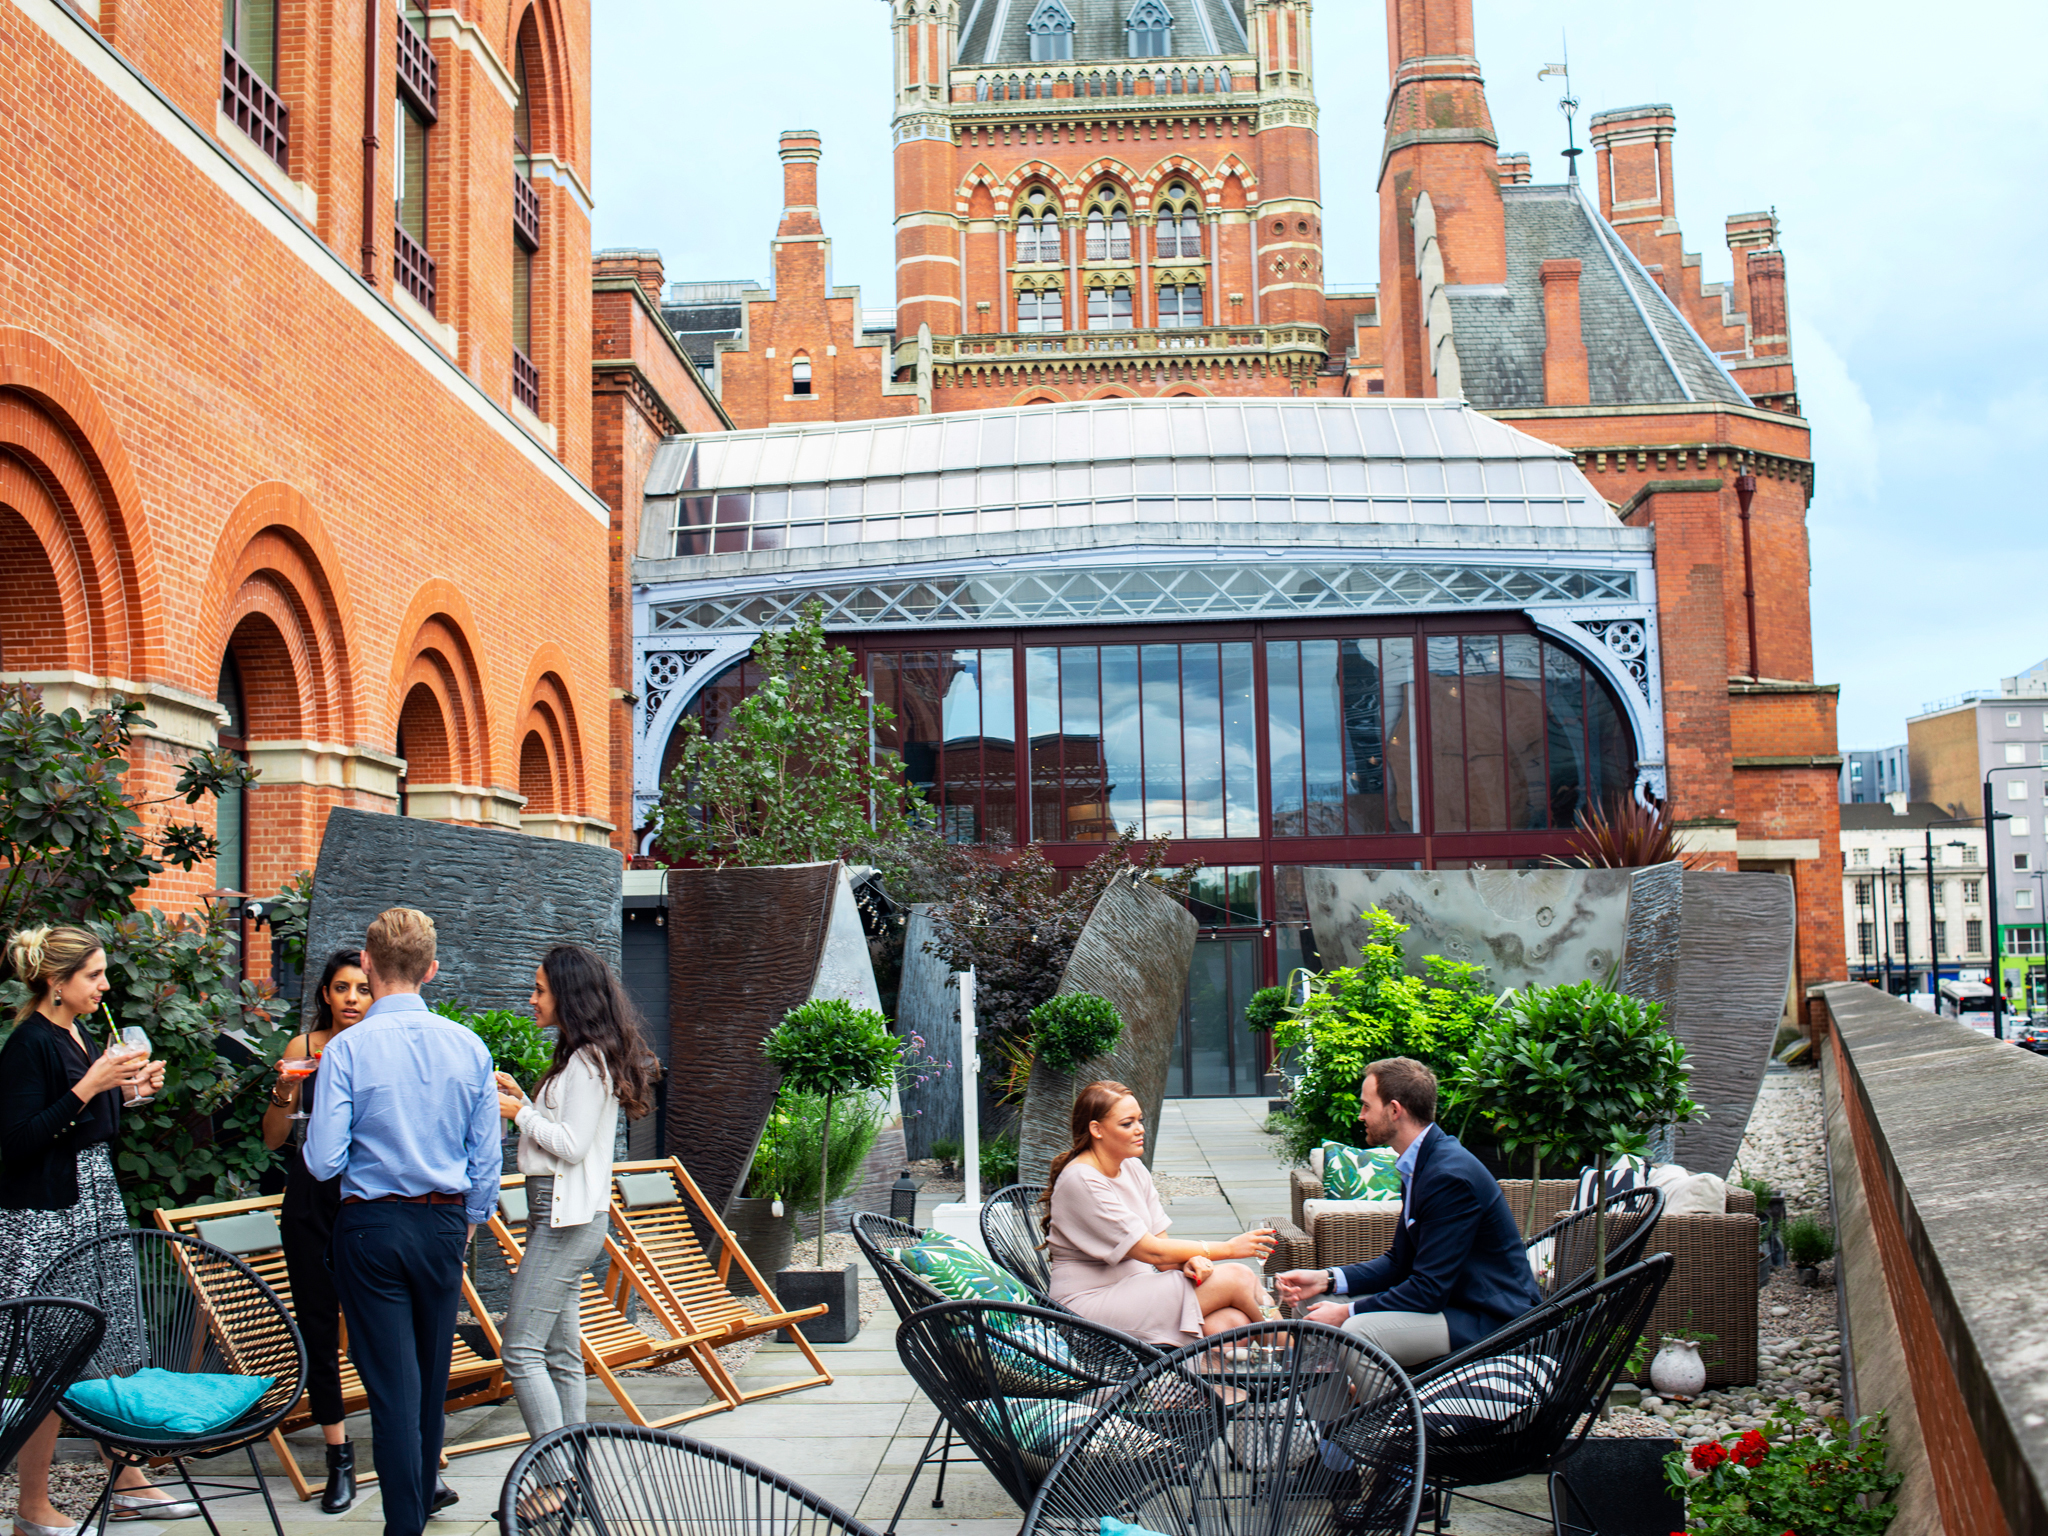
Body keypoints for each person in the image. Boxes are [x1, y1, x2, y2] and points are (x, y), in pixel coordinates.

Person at [304, 909, 498, 1536]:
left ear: (367, 964)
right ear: (432, 970)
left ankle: (404, 1528)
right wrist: (467, 1223)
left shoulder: (348, 1048)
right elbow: (486, 1159)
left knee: (391, 1390)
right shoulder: (469, 1046)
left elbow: (323, 1159)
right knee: (428, 1380)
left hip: (371, 1227)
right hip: (442, 1226)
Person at [0, 925, 180, 1536]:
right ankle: (32, 1507)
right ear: (56, 983)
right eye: (94, 976)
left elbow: (82, 1120)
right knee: (54, 1356)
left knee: (101, 1348)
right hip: (49, 1215)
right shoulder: (29, 1042)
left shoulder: (77, 1031)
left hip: (91, 1201)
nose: (105, 985)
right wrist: (91, 1085)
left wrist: (130, 1093)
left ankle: (127, 1481)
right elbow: (18, 1141)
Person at [1275, 1056, 1543, 1367]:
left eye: (1366, 1106)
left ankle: (1393, 1416)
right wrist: (1326, 1279)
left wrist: (1347, 1312)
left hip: (1489, 1317)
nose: (1360, 1116)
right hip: (1450, 1304)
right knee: (1311, 1305)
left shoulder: (1448, 1177)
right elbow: (1399, 1263)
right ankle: (1328, 1417)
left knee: (1357, 1332)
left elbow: (1428, 1289)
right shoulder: (1419, 1164)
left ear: (1394, 1110)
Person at [493, 945, 654, 1439]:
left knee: (520, 1350)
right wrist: (524, 1100)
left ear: (568, 996)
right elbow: (561, 1129)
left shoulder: (587, 1062)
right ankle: (574, 1467)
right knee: (561, 1354)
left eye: (539, 990)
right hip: (560, 1216)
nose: (531, 999)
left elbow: (571, 1144)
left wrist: (517, 1114)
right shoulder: (581, 1058)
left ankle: (553, 1473)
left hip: (566, 1222)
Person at [259, 948, 373, 1513]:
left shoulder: (381, 1049)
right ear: (325, 994)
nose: (352, 998)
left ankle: (408, 1455)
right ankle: (339, 1459)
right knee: (319, 1330)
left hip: (365, 1197)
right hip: (308, 1197)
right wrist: (286, 1087)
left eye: (362, 988)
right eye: (342, 988)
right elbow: (273, 1139)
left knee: (377, 1326)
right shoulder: (303, 1049)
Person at [1045, 1080, 1276, 1347]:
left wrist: (1188, 1262)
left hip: (1137, 1289)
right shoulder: (1082, 1180)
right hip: (1088, 1306)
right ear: (1096, 1129)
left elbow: (1164, 1253)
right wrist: (1230, 1248)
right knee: (1239, 1277)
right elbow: (1152, 1252)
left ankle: (1206, 1389)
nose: (1140, 1129)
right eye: (1127, 1123)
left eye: (1140, 1120)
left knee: (1230, 1323)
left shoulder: (1133, 1168)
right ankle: (1299, 1358)